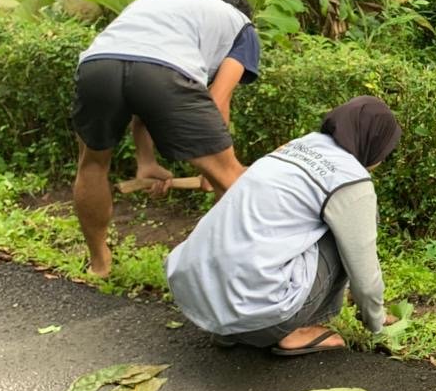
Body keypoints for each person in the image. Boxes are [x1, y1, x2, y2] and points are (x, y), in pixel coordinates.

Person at [166, 96, 403, 355]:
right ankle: (289, 332)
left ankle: (232, 330)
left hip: (196, 293)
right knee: (350, 228)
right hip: (257, 310)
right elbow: (363, 269)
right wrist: (376, 321)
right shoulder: (349, 178)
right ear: (375, 144)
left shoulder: (294, 147)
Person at [72, 0, 261, 277]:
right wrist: (213, 172)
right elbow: (218, 98)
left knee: (93, 165)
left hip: (98, 64)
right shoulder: (242, 27)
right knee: (230, 179)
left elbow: (139, 78)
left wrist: (146, 161)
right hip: (164, 71)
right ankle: (231, 277)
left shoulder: (161, 3)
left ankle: (99, 265)